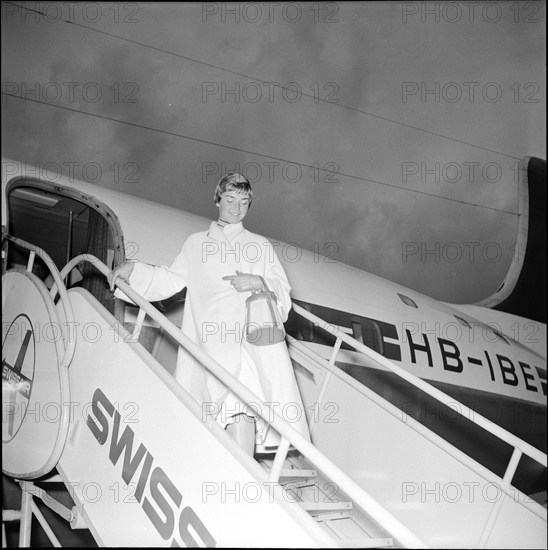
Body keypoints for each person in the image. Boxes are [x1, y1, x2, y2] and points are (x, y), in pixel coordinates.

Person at [109, 173, 310, 455]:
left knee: (241, 406)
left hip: (247, 344)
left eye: (243, 202)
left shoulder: (260, 245)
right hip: (209, 342)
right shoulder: (196, 244)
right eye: (230, 199)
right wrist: (136, 269)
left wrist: (259, 282)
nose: (236, 207)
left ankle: (243, 480)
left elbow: (282, 291)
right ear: (218, 200)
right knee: (213, 412)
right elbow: (171, 279)